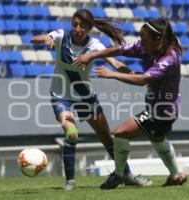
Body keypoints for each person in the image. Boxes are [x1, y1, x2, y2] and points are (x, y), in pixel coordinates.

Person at [30, 9, 151, 190]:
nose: (77, 28)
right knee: (71, 133)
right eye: (75, 24)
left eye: (82, 26)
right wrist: (45, 39)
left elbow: (116, 63)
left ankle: (127, 175)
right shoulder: (61, 36)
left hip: (86, 97)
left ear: (89, 28)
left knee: (108, 140)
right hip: (61, 96)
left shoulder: (95, 45)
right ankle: (70, 181)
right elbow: (35, 39)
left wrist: (129, 72)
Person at [73, 19, 187, 189]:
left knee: (120, 133)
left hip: (162, 111)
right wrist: (92, 55)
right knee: (157, 139)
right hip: (160, 107)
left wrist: (112, 74)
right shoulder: (149, 45)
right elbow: (120, 49)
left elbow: (142, 80)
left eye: (144, 39)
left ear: (157, 39)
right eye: (140, 37)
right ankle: (176, 175)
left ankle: (119, 175)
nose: (141, 43)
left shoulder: (169, 59)